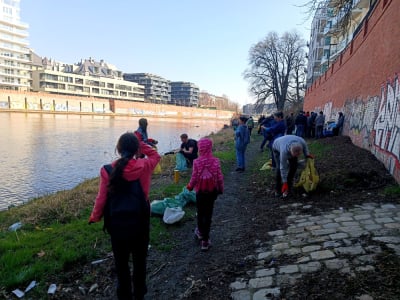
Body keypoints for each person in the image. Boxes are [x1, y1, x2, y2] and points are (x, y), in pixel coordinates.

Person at [89, 132, 161, 300]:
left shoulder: (107, 170)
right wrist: (141, 144)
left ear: (118, 149)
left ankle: (124, 295)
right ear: (136, 149)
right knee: (140, 262)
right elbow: (155, 154)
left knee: (121, 264)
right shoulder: (144, 165)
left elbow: (102, 198)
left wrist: (95, 216)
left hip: (117, 225)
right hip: (140, 224)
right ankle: (139, 295)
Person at [186, 138, 224, 251]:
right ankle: (205, 241)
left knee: (201, 213)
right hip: (212, 192)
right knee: (208, 215)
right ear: (210, 147)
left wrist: (189, 187)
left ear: (200, 148)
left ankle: (200, 233)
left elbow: (194, 177)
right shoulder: (216, 161)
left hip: (200, 192)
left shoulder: (196, 162)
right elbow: (219, 177)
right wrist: (221, 189)